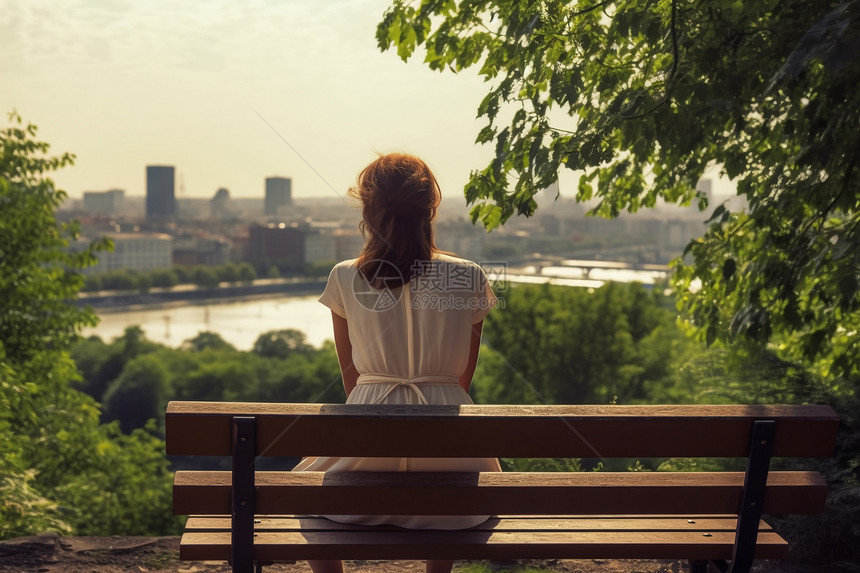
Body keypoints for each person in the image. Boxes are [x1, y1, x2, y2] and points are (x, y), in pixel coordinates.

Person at [292, 153, 501, 573]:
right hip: (454, 478)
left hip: (371, 424)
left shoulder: (344, 276)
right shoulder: (467, 275)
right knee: (453, 482)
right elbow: (462, 378)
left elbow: (352, 380)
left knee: (296, 492)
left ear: (368, 212)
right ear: (431, 209)